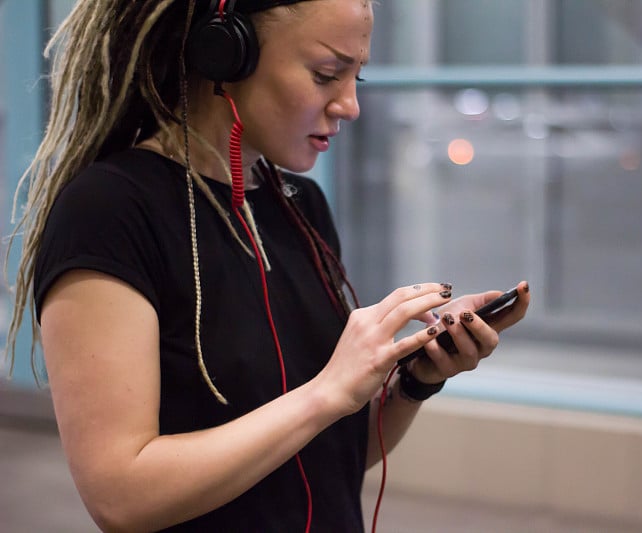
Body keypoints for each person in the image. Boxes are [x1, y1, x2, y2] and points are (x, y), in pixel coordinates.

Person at [4, 0, 530, 531]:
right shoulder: (110, 211)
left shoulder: (301, 207)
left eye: (356, 77)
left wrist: (417, 378)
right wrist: (325, 394)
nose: (349, 105)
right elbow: (121, 497)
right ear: (225, 54)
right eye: (326, 74)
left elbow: (325, 454)